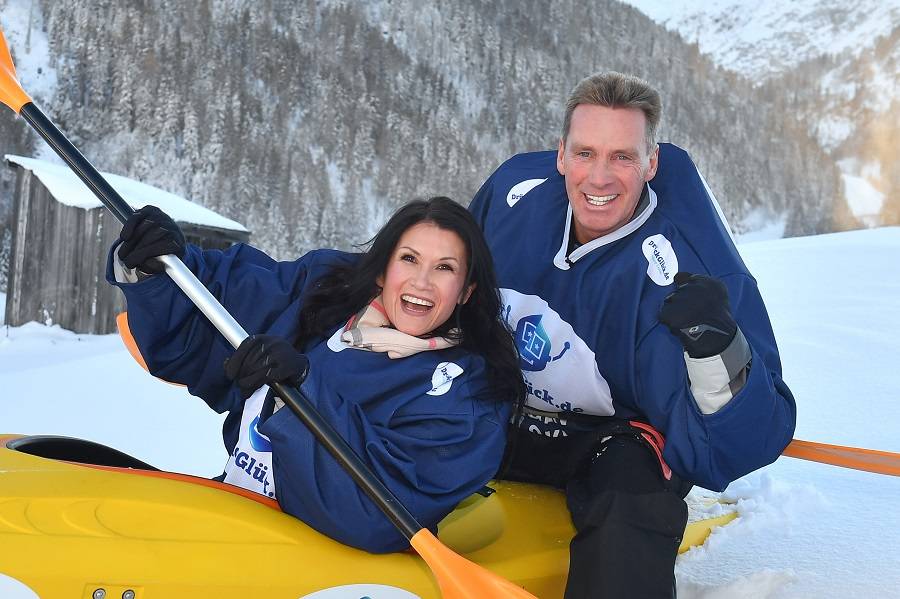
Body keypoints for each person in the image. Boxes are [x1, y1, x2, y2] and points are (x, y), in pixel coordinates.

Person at [469, 72, 797, 598]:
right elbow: (433, 284)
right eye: (585, 153)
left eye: (622, 157)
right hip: (498, 414)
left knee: (631, 493)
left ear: (651, 163)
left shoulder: (691, 267)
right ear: (560, 156)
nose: (599, 178)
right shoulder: (516, 193)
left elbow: (748, 440)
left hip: (608, 441)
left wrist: (714, 349)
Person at [106, 196, 525, 553]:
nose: (421, 282)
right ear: (382, 270)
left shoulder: (469, 394)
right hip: (233, 513)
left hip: (322, 564)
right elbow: (229, 298)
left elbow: (380, 512)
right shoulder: (328, 296)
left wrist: (303, 387)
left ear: (467, 290)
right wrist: (162, 262)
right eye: (409, 259)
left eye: (445, 268)